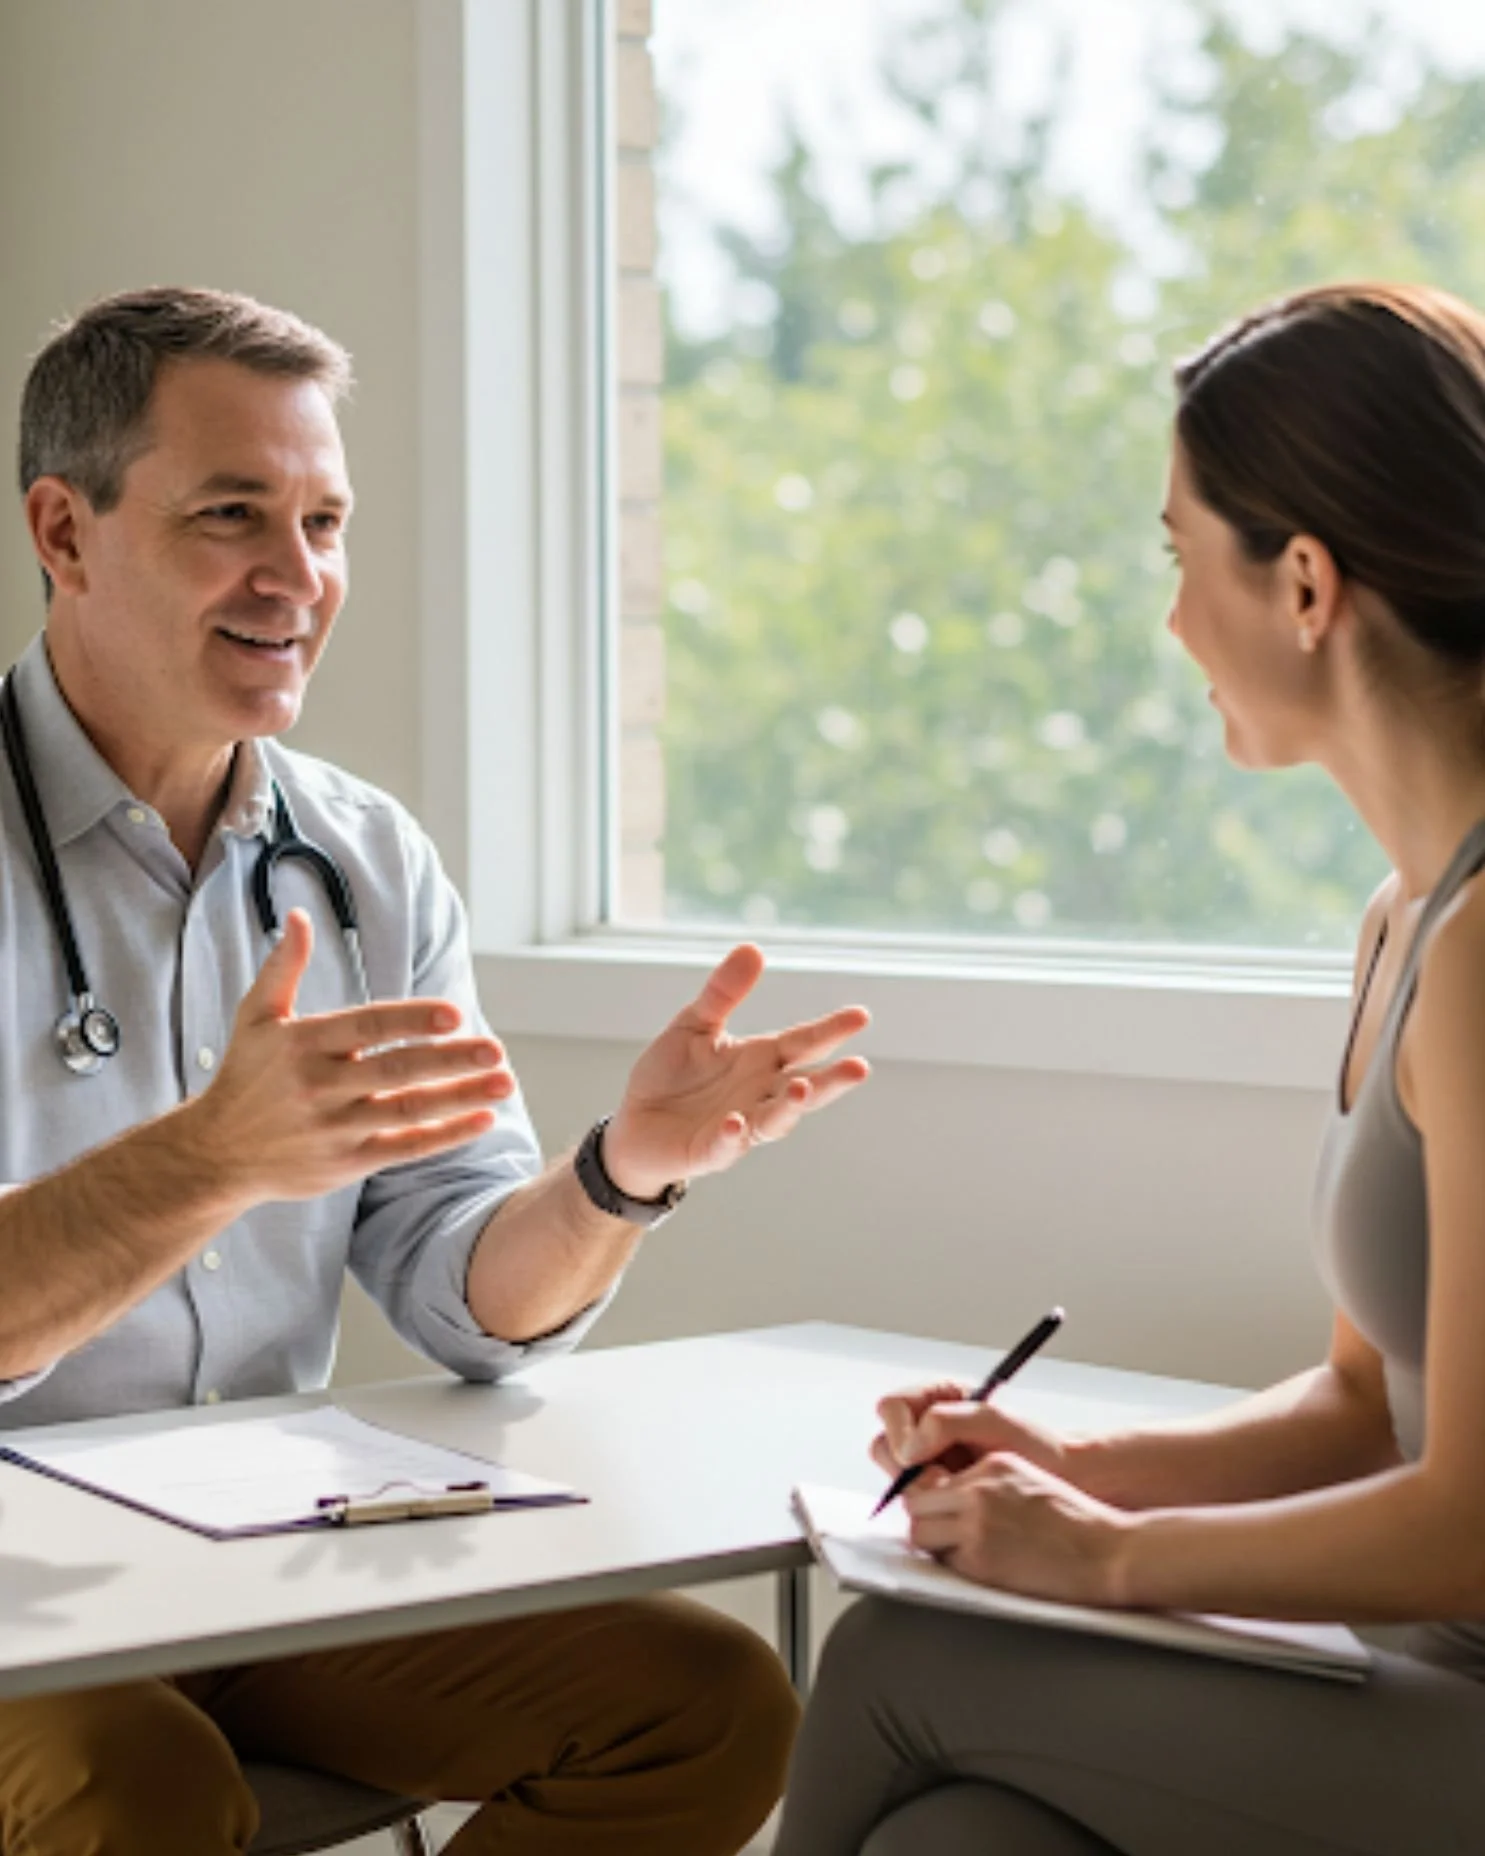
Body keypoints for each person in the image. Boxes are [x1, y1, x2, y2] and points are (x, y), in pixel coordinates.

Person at [0, 285, 872, 1856]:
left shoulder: (363, 859)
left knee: (708, 1707)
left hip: (248, 1539)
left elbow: (460, 1291)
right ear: (66, 532)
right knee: (140, 1787)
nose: (297, 577)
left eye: (325, 522)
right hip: (17, 1571)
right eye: (232, 514)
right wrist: (213, 1156)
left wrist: (619, 1176)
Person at [773, 279, 1485, 1856]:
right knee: (958, 1842)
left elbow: (1473, 1523)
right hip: (1420, 1686)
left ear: (1305, 583)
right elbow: (1365, 1407)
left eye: (1181, 558)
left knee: (897, 1664)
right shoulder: (1406, 921)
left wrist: (1101, 1557)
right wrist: (1069, 1467)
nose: (1171, 626)